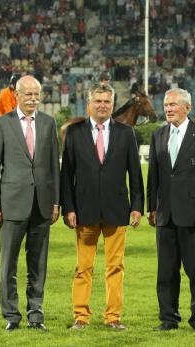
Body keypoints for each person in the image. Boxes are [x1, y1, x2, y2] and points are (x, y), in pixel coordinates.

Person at [60, 83, 144, 331]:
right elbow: (67, 175)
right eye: (98, 101)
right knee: (83, 268)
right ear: (89, 103)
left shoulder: (126, 133)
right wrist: (69, 208)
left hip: (117, 210)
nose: (102, 105)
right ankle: (80, 317)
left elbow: (135, 174)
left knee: (115, 266)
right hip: (84, 212)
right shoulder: (74, 133)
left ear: (112, 104)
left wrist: (137, 205)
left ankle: (113, 317)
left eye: (107, 101)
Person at [0, 75, 60, 332]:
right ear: (17, 95)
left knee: (38, 264)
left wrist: (56, 202)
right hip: (11, 205)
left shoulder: (49, 124)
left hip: (42, 204)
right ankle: (11, 315)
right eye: (27, 94)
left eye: (36, 95)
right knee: (9, 264)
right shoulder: (2, 124)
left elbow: (54, 168)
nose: (32, 99)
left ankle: (36, 315)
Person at [146, 88, 195, 334]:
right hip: (165, 214)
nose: (168, 109)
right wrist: (151, 207)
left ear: (187, 108)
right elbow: (154, 176)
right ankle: (168, 318)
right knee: (166, 272)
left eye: (173, 105)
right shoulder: (158, 135)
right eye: (166, 105)